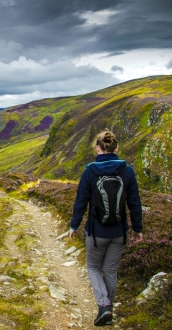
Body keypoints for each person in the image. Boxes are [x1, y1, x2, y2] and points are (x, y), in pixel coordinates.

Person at [69, 129, 143, 327]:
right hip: (119, 232)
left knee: (93, 267)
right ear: (116, 148)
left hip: (96, 233)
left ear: (97, 147)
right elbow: (134, 203)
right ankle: (108, 308)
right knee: (110, 270)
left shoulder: (90, 171)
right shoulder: (127, 171)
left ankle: (104, 307)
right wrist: (138, 229)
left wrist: (74, 225)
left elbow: (81, 201)